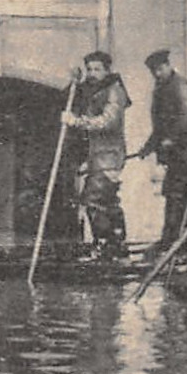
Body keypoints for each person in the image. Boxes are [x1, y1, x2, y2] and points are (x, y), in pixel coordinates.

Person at [60, 50, 131, 259]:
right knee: (108, 200)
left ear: (107, 70)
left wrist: (77, 121)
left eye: (97, 69)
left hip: (109, 155)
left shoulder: (114, 91)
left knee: (94, 199)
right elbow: (65, 99)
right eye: (89, 69)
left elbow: (109, 121)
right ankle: (116, 244)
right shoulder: (92, 89)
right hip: (95, 155)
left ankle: (104, 244)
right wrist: (73, 81)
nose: (92, 73)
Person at [138, 49, 187, 254]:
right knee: (182, 191)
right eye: (154, 71)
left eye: (160, 69)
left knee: (175, 191)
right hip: (179, 148)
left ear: (168, 66)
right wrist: (148, 147)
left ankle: (170, 241)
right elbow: (160, 126)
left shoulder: (180, 86)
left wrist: (172, 138)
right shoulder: (162, 88)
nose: (157, 74)